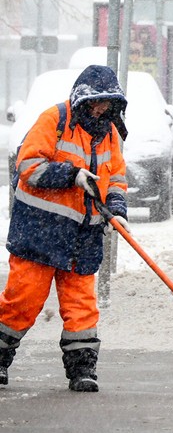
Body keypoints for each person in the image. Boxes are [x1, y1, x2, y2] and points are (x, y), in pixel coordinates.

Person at [0, 65, 130, 392]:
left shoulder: (110, 133)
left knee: (81, 306)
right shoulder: (54, 120)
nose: (101, 109)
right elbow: (28, 167)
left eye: (107, 104)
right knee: (22, 302)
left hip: (83, 236)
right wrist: (71, 175)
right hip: (40, 231)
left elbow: (116, 177)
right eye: (96, 103)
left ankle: (82, 370)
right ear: (82, 99)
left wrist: (117, 208)